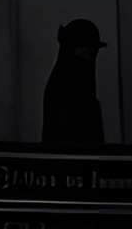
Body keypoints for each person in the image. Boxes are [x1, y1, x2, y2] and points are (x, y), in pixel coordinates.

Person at [42, 16, 107, 145]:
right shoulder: (64, 85)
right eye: (86, 50)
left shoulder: (64, 81)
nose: (90, 55)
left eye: (92, 51)